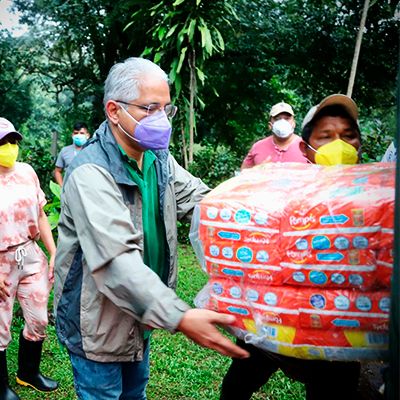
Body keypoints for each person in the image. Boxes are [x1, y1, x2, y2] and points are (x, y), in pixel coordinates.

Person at [54, 57, 248, 400]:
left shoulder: (158, 158)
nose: (161, 119)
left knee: (135, 393)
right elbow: (117, 262)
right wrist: (181, 316)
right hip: (98, 322)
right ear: (114, 111)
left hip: (140, 316)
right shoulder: (90, 173)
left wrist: (262, 211)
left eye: (166, 109)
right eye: (149, 108)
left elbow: (203, 199)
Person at [220, 94, 364, 400]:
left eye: (348, 135)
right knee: (236, 387)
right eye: (326, 136)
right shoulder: (288, 195)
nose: (338, 145)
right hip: (275, 326)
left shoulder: (374, 201)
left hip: (336, 337)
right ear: (306, 148)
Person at [0, 117, 58, 400]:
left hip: (30, 255)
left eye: (12, 141)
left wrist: (53, 250)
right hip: (0, 263)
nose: (9, 147)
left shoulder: (26, 172)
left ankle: (28, 373)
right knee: (0, 327)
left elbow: (41, 213)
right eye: (2, 142)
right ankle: (0, 388)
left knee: (38, 319)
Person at [241, 101, 307, 168]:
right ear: (270, 125)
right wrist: (258, 171)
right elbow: (243, 174)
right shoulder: (258, 147)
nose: (283, 122)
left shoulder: (305, 147)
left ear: (294, 123)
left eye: (287, 118)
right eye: (277, 119)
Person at [54, 122, 90, 186]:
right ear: (72, 135)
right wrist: (61, 187)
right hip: (69, 189)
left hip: (88, 189)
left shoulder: (92, 150)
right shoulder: (65, 151)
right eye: (76, 133)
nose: (79, 135)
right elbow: (57, 171)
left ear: (87, 135)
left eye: (82, 133)